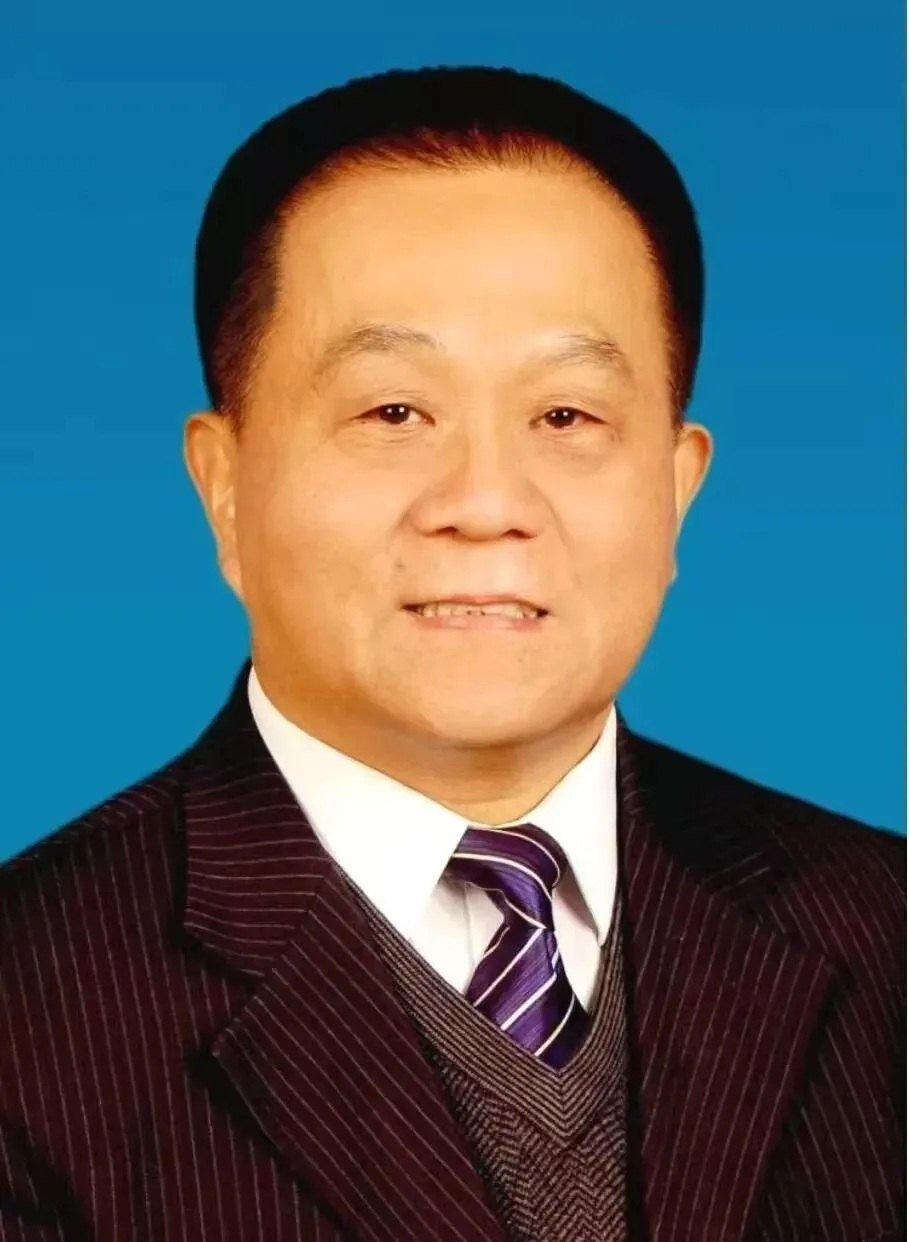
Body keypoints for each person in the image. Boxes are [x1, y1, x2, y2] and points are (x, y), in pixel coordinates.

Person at [0, 65, 903, 1242]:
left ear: (677, 489)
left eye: (566, 416)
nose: (484, 504)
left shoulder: (884, 926)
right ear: (223, 485)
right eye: (393, 413)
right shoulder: (30, 1008)